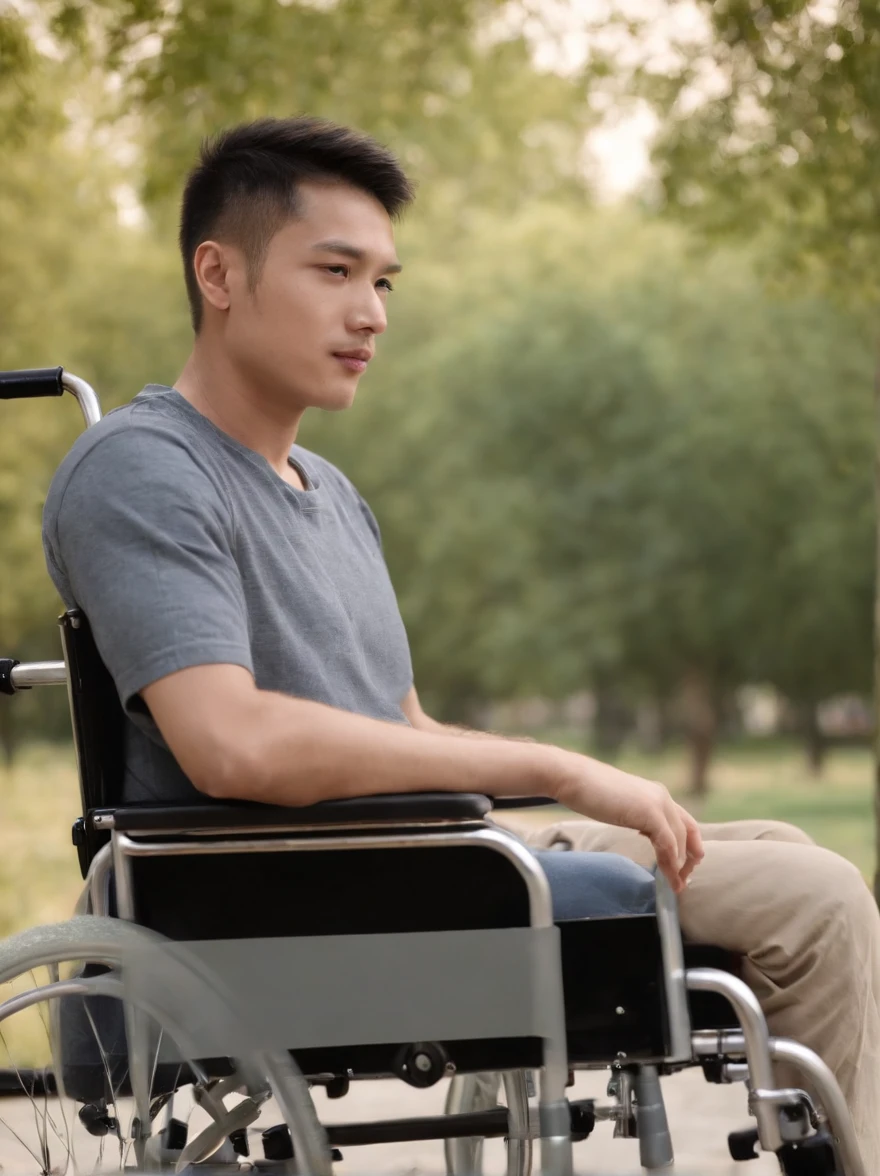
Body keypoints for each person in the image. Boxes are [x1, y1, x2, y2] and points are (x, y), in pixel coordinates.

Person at [41, 116, 878, 1166]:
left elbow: (398, 728)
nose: (371, 313)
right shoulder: (142, 469)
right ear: (218, 273)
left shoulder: (332, 494)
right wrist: (555, 766)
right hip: (291, 904)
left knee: (784, 854)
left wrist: (539, 789)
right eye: (336, 271)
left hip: (418, 869)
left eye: (385, 281)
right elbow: (231, 746)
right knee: (819, 902)